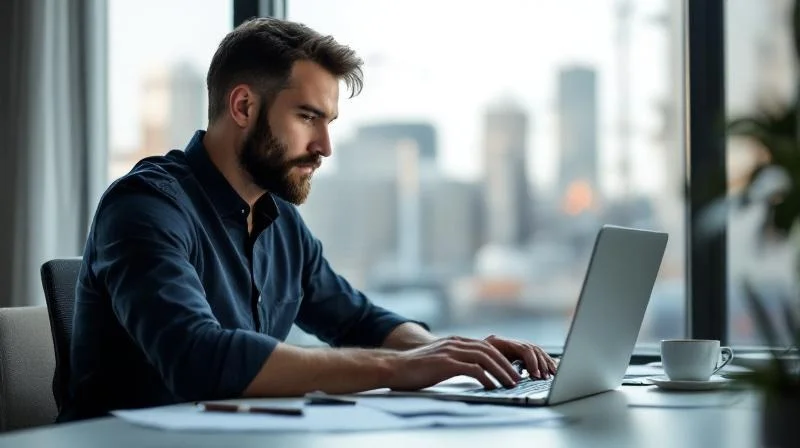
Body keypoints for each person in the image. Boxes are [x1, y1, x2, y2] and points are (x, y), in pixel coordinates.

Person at [61, 17, 556, 422]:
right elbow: (199, 360)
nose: (324, 147)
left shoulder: (278, 220)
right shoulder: (145, 207)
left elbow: (358, 319)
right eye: (306, 117)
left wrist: (447, 352)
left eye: (328, 122)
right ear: (243, 105)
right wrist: (399, 367)